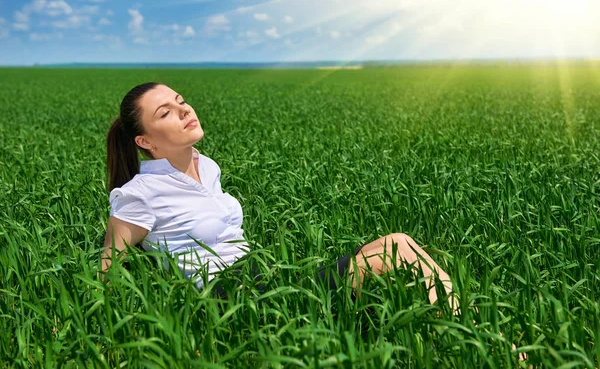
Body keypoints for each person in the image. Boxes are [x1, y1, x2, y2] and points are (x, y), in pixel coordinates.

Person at [101, 82, 455, 305]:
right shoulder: (140, 193)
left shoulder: (205, 165)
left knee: (399, 242)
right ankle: (471, 340)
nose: (184, 111)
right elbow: (108, 267)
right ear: (145, 141)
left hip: (263, 274)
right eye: (166, 113)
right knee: (393, 258)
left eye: (181, 102)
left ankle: (463, 328)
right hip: (230, 297)